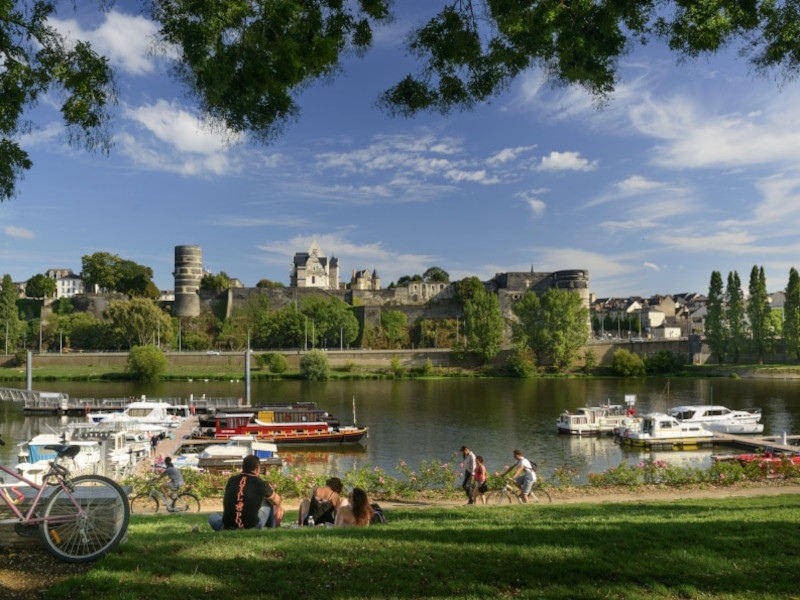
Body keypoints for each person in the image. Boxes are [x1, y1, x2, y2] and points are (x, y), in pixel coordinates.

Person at [208, 454, 283, 530]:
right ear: (257, 469)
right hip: (252, 527)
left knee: (213, 516)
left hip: (228, 527)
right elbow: (277, 500)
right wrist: (277, 505)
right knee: (269, 500)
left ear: (242, 468)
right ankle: (272, 528)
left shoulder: (231, 480)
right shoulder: (261, 484)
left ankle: (231, 528)